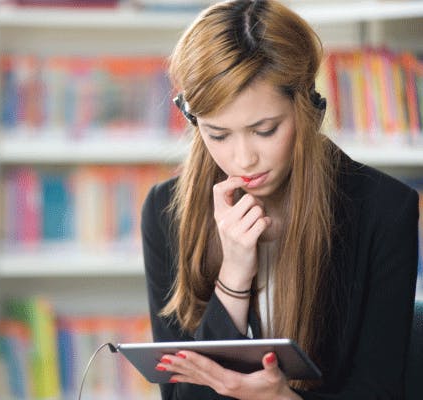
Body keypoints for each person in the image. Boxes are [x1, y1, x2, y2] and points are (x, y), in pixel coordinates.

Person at [141, 0, 420, 399]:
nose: (243, 158)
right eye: (217, 134)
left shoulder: (383, 211)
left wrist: (280, 398)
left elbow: (377, 390)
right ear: (191, 120)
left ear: (306, 108)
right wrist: (233, 276)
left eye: (265, 130)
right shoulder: (166, 211)